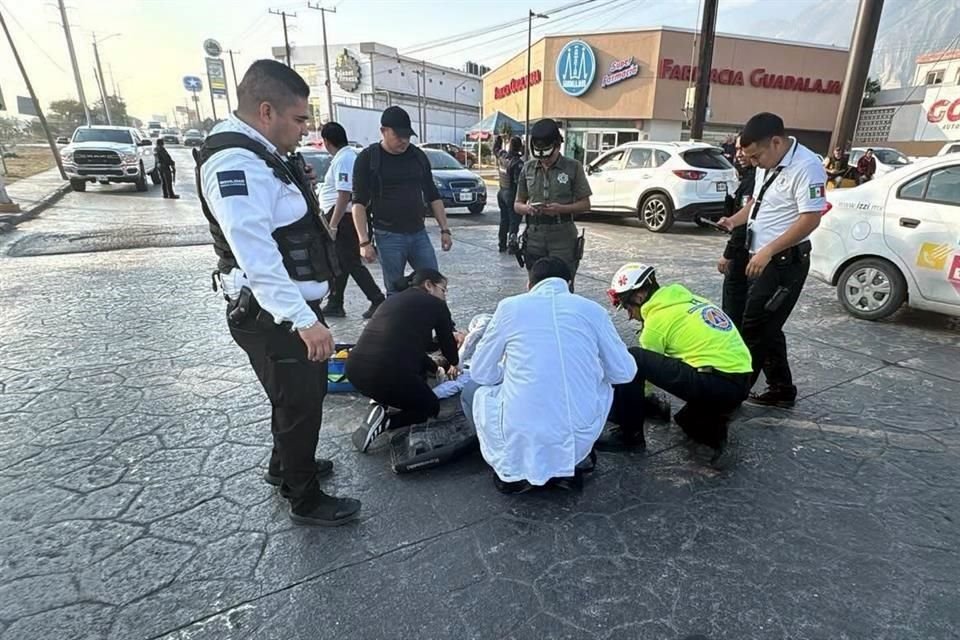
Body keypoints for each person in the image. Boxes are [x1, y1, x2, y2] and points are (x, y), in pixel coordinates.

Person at [195, 59, 360, 527]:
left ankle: (286, 465)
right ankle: (303, 496)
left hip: (283, 309)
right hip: (274, 314)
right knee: (300, 401)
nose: (305, 128)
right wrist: (305, 320)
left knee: (291, 396)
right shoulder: (236, 165)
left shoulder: (260, 153)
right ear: (266, 111)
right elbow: (258, 257)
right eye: (300, 119)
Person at [461, 257, 637, 493]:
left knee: (473, 391)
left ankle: (510, 464)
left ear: (529, 284)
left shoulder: (509, 308)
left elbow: (481, 372)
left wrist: (508, 373)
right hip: (579, 434)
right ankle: (572, 462)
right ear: (570, 282)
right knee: (599, 385)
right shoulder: (593, 310)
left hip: (522, 432)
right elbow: (624, 373)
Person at [718, 112, 826, 408]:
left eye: (755, 156)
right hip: (759, 258)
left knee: (754, 327)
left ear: (776, 142)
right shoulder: (769, 162)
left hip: (783, 264)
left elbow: (810, 219)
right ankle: (781, 388)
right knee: (767, 325)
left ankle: (730, 397)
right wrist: (734, 220)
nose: (752, 162)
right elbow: (757, 203)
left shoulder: (807, 167)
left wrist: (768, 251)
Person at [597, 263, 753, 456]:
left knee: (633, 358)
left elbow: (638, 376)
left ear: (639, 296)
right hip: (740, 379)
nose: (630, 315)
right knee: (688, 422)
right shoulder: (689, 300)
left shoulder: (656, 321)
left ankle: (630, 437)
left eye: (627, 306)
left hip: (718, 383)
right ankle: (713, 416)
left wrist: (623, 406)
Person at [346, 268, 459, 453]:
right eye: (443, 289)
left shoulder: (393, 300)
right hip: (385, 374)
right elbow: (449, 349)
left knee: (412, 376)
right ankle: (386, 421)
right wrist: (453, 362)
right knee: (429, 406)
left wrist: (434, 365)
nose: (444, 295)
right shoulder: (436, 305)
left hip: (355, 371)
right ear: (429, 285)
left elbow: (411, 346)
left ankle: (379, 403)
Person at [352, 106, 453, 295]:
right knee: (395, 289)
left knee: (434, 284)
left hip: (418, 233)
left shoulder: (417, 156)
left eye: (407, 136)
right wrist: (364, 242)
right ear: (383, 131)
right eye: (399, 136)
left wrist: (445, 229)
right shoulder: (369, 158)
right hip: (388, 235)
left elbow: (432, 195)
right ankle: (399, 324)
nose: (404, 141)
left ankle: (438, 323)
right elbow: (358, 202)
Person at [316, 122, 385, 320]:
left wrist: (333, 225)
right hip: (340, 216)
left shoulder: (344, 159)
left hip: (343, 218)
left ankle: (377, 298)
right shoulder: (344, 157)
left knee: (350, 262)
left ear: (327, 141)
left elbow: (344, 194)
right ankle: (335, 302)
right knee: (340, 261)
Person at [514, 118, 591, 284]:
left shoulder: (573, 167)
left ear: (558, 145)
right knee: (535, 287)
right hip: (534, 236)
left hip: (563, 236)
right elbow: (517, 204)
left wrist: (561, 209)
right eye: (540, 156)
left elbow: (585, 204)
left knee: (563, 285)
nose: (545, 160)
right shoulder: (527, 168)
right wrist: (527, 209)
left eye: (549, 155)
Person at [717, 134, 756, 328]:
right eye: (737, 149)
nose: (739, 154)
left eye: (743, 149)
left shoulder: (755, 180)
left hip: (743, 254)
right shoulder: (749, 177)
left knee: (733, 311)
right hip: (745, 251)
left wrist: (728, 254)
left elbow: (744, 225)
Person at [494, 135, 524, 254]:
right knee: (514, 221)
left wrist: (498, 140)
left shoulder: (502, 156)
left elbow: (495, 149)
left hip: (501, 192)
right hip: (512, 194)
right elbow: (519, 183)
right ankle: (512, 245)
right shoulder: (518, 163)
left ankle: (502, 244)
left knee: (504, 219)